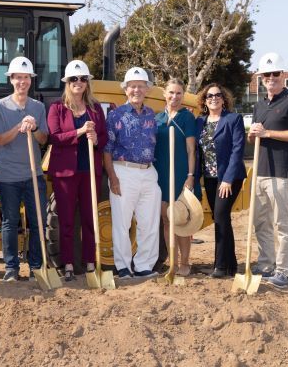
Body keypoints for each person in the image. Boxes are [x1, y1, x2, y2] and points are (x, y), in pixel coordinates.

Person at [249, 52, 288, 288]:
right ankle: (266, 264)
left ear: (282, 75)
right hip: (260, 172)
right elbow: (255, 141)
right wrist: (253, 136)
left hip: (281, 173)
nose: (270, 78)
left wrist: (268, 133)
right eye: (266, 75)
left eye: (275, 74)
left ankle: (283, 270)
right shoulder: (259, 105)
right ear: (260, 78)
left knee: (282, 224)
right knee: (260, 223)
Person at [0, 56, 48, 282]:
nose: (22, 82)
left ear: (30, 80)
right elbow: (1, 140)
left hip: (34, 175)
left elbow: (43, 139)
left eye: (25, 78)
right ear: (11, 80)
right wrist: (19, 126)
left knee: (38, 222)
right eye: (18, 78)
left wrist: (33, 128)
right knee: (10, 222)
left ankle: (35, 266)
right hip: (7, 177)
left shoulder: (39, 107)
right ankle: (11, 268)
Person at [47, 60, 108, 281]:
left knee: (90, 219)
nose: (78, 83)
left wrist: (95, 139)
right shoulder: (57, 108)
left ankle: (91, 262)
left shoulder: (96, 108)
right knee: (66, 220)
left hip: (89, 171)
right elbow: (55, 137)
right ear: (67, 82)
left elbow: (104, 138)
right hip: (65, 173)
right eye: (74, 79)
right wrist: (81, 131)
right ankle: (69, 264)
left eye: (83, 79)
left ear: (87, 82)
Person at [103, 67, 161, 279]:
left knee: (149, 223)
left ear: (147, 89)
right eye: (132, 86)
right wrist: (113, 177)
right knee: (122, 223)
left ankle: (144, 265)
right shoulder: (115, 116)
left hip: (148, 172)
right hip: (123, 171)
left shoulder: (151, 115)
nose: (136, 90)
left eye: (140, 86)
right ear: (126, 90)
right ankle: (123, 267)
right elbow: (107, 149)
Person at [195, 83, 246, 278]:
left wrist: (227, 179)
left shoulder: (233, 119)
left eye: (217, 95)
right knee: (221, 219)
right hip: (209, 178)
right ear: (204, 100)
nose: (213, 98)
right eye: (209, 96)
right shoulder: (200, 122)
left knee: (221, 217)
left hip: (228, 178)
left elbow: (237, 150)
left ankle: (220, 266)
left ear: (223, 99)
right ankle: (231, 265)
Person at [154, 78, 200, 277]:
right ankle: (172, 261)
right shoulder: (157, 118)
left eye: (179, 93)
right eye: (171, 92)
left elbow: (191, 150)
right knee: (166, 220)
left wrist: (190, 176)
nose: (174, 96)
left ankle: (185, 262)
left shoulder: (187, 118)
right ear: (164, 94)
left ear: (183, 96)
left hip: (181, 173)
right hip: (161, 175)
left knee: (181, 220)